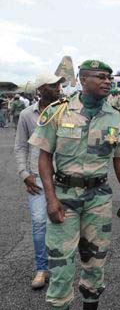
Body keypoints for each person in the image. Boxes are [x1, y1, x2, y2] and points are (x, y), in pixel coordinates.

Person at [28, 59, 120, 310]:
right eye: (101, 76)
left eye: (110, 77)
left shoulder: (115, 116)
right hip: (64, 197)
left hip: (98, 198)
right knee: (61, 266)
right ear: (83, 79)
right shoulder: (58, 112)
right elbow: (44, 157)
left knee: (95, 263)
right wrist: (50, 198)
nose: (108, 81)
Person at [15, 73, 64, 289]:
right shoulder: (27, 115)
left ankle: (61, 266)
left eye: (59, 85)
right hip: (37, 178)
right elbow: (21, 146)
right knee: (39, 223)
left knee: (62, 221)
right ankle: (42, 269)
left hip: (63, 177)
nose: (58, 88)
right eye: (53, 85)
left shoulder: (67, 112)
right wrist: (24, 173)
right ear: (41, 89)